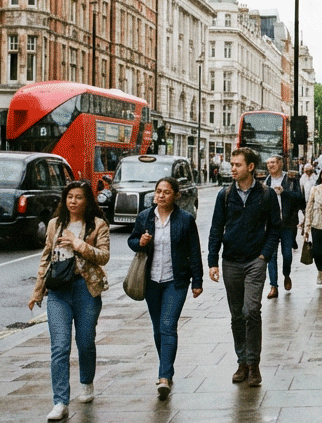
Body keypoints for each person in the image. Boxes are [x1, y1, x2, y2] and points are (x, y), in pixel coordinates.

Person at [29, 179, 110, 422]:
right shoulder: (55, 224)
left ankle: (86, 382)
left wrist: (78, 244)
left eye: (79, 197)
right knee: (60, 347)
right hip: (58, 292)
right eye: (70, 197)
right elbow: (46, 258)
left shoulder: (98, 225)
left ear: (87, 201)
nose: (73, 201)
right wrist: (37, 291)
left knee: (85, 342)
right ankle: (60, 401)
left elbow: (103, 256)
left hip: (86, 289)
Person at [208, 147, 281, 387]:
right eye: (232, 164)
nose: (232, 168)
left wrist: (264, 257)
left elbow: (275, 229)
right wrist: (212, 261)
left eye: (237, 164)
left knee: (252, 311)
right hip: (230, 261)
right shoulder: (225, 194)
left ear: (250, 167)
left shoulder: (266, 195)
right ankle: (242, 362)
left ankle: (254, 364)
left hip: (254, 262)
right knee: (237, 314)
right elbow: (216, 228)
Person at [128, 176, 203, 399]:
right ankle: (167, 370)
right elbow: (132, 241)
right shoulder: (144, 217)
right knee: (158, 329)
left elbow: (194, 251)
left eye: (166, 192)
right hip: (150, 281)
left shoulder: (185, 220)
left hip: (175, 281)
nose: (160, 195)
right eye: (158, 191)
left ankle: (164, 376)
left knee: (168, 325)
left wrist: (197, 281)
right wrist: (139, 242)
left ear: (176, 196)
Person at [262, 154, 304, 298]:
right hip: (271, 225)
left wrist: (284, 193)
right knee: (271, 256)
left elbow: (300, 199)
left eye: (273, 162)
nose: (270, 166)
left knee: (287, 254)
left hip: (287, 223)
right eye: (268, 163)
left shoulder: (291, 179)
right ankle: (274, 286)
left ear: (280, 163)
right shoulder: (264, 182)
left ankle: (286, 274)